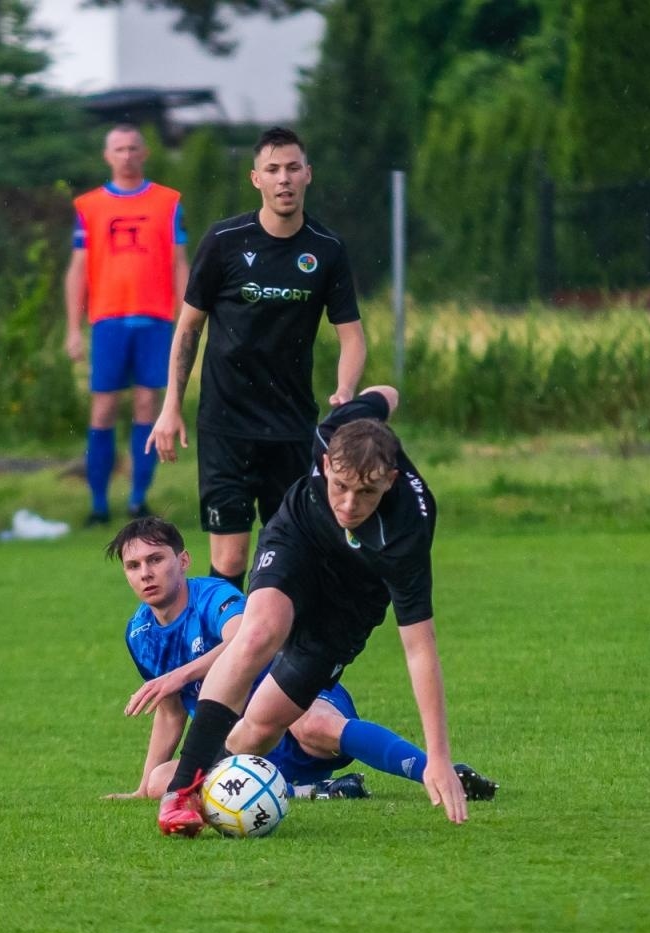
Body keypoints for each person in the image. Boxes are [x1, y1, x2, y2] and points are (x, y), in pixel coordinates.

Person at [154, 386, 473, 836]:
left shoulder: (405, 537)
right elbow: (386, 393)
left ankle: (219, 792)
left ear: (391, 480)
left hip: (350, 604)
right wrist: (373, 392)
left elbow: (420, 649)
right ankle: (180, 792)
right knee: (259, 631)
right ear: (325, 463)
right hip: (298, 540)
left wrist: (438, 757)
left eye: (367, 493)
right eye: (340, 486)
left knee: (257, 731)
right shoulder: (331, 435)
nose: (348, 504)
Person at [105, 516, 499, 803]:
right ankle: (314, 792)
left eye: (156, 560)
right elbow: (171, 712)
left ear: (183, 561)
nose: (146, 573)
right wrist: (142, 786)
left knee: (315, 724)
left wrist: (178, 676)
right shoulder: (138, 633)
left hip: (294, 707)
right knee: (162, 783)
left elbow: (246, 637)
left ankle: (441, 771)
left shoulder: (211, 596)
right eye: (134, 566)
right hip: (238, 744)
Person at [148, 126, 367, 591]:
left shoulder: (326, 249)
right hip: (225, 425)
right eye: (273, 169)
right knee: (228, 560)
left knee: (286, 555)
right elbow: (188, 328)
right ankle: (220, 665)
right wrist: (170, 407)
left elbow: (352, 336)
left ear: (308, 174)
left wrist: (345, 393)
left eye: (292, 168)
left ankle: (280, 665)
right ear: (256, 179)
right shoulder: (225, 241)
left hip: (291, 427)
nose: (283, 178)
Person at [65, 126, 188, 527]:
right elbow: (78, 268)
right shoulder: (90, 205)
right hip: (108, 319)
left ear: (145, 152)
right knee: (102, 407)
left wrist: (190, 318)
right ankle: (98, 504)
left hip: (155, 317)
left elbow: (179, 261)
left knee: (147, 405)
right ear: (107, 155)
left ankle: (138, 498)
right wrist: (72, 327)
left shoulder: (167, 202)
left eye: (133, 147)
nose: (127, 155)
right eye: (119, 148)